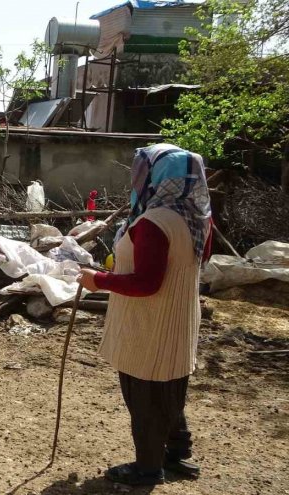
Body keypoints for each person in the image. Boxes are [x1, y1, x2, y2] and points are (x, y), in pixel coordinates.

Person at [77, 143, 213, 486]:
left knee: (145, 395)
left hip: (149, 321)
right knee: (169, 385)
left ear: (154, 176)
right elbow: (196, 262)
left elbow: (148, 282)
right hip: (178, 318)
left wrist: (99, 280)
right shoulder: (198, 216)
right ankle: (177, 452)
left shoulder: (154, 221)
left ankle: (148, 467)